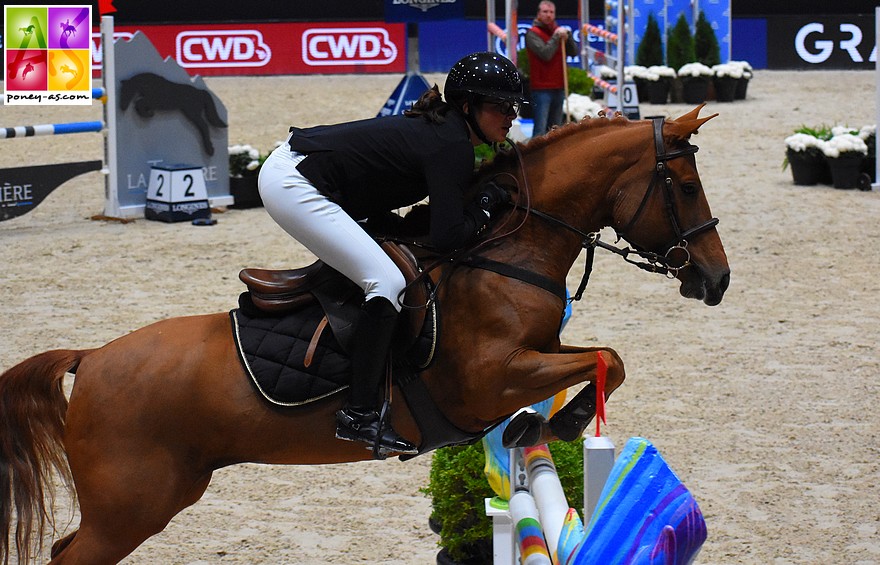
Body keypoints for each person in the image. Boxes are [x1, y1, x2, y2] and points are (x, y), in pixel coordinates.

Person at [257, 52, 526, 455]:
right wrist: (485, 203)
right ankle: (359, 414)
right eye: (500, 107)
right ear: (467, 107)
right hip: (294, 184)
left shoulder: (450, 131)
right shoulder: (452, 144)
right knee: (386, 281)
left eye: (514, 107)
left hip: (318, 177)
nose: (510, 116)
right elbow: (449, 236)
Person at [526, 0, 578, 137]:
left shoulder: (558, 32)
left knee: (556, 130)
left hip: (559, 86)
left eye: (551, 12)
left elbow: (573, 52)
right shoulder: (532, 34)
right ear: (538, 14)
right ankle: (536, 158)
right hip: (541, 89)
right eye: (545, 12)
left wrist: (569, 37)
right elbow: (545, 54)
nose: (548, 15)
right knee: (540, 130)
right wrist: (556, 37)